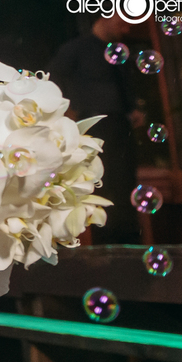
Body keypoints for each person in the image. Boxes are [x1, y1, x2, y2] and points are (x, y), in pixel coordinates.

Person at [47, 13, 146, 244]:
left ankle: (130, 243)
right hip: (94, 126)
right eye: (122, 23)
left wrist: (132, 108)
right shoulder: (76, 49)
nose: (127, 29)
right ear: (106, 17)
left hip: (121, 125)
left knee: (125, 183)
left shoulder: (119, 50)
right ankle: (106, 243)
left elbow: (123, 85)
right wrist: (70, 109)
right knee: (101, 183)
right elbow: (54, 76)